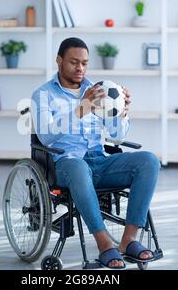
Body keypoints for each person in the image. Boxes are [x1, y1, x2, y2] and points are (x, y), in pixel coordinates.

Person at [31, 37, 160, 269]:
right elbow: (46, 136)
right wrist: (81, 109)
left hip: (99, 161)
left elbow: (117, 137)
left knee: (149, 161)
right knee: (78, 166)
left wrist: (121, 113)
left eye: (84, 63)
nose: (80, 68)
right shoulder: (43, 95)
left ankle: (128, 241)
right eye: (73, 62)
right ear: (59, 61)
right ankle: (104, 245)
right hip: (65, 164)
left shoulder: (99, 90)